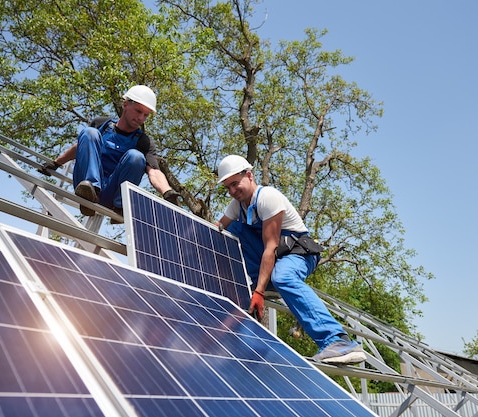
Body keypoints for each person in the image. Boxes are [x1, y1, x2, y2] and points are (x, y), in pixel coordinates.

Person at [215, 155, 366, 364]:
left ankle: (338, 341)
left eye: (235, 183)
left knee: (283, 276)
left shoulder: (267, 196)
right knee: (229, 229)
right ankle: (262, 293)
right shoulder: (237, 206)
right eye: (227, 187)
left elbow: (271, 246)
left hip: (298, 254)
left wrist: (259, 291)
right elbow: (216, 229)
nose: (232, 191)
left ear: (249, 175)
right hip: (275, 258)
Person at [39, 85, 180, 220]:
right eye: (138, 111)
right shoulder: (102, 124)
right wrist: (56, 163)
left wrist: (167, 192)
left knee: (136, 156)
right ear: (125, 105)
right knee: (89, 132)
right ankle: (91, 189)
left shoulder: (143, 141)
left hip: (112, 195)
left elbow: (154, 171)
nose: (141, 118)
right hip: (85, 186)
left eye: (146, 115)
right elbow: (81, 147)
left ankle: (120, 206)